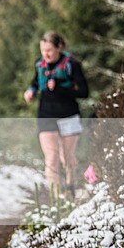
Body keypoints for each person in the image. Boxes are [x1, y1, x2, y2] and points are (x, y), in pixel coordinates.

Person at [24, 31, 89, 199]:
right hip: (46, 114)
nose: (45, 54)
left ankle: (70, 189)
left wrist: (60, 88)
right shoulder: (40, 64)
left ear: (59, 47)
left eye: (49, 50)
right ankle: (54, 197)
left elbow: (84, 92)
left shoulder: (71, 64)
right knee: (51, 157)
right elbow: (35, 83)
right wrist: (30, 91)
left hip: (68, 115)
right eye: (43, 50)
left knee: (67, 157)